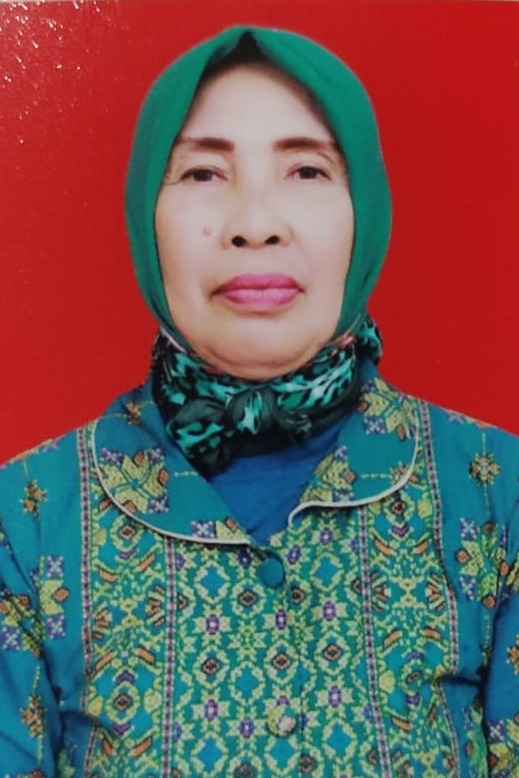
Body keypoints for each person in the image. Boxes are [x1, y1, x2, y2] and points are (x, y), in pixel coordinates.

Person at [0, 24, 518, 777]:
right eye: (203, 173)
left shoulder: (499, 494)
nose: (254, 226)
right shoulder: (23, 519)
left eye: (306, 170)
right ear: (146, 216)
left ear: (365, 210)